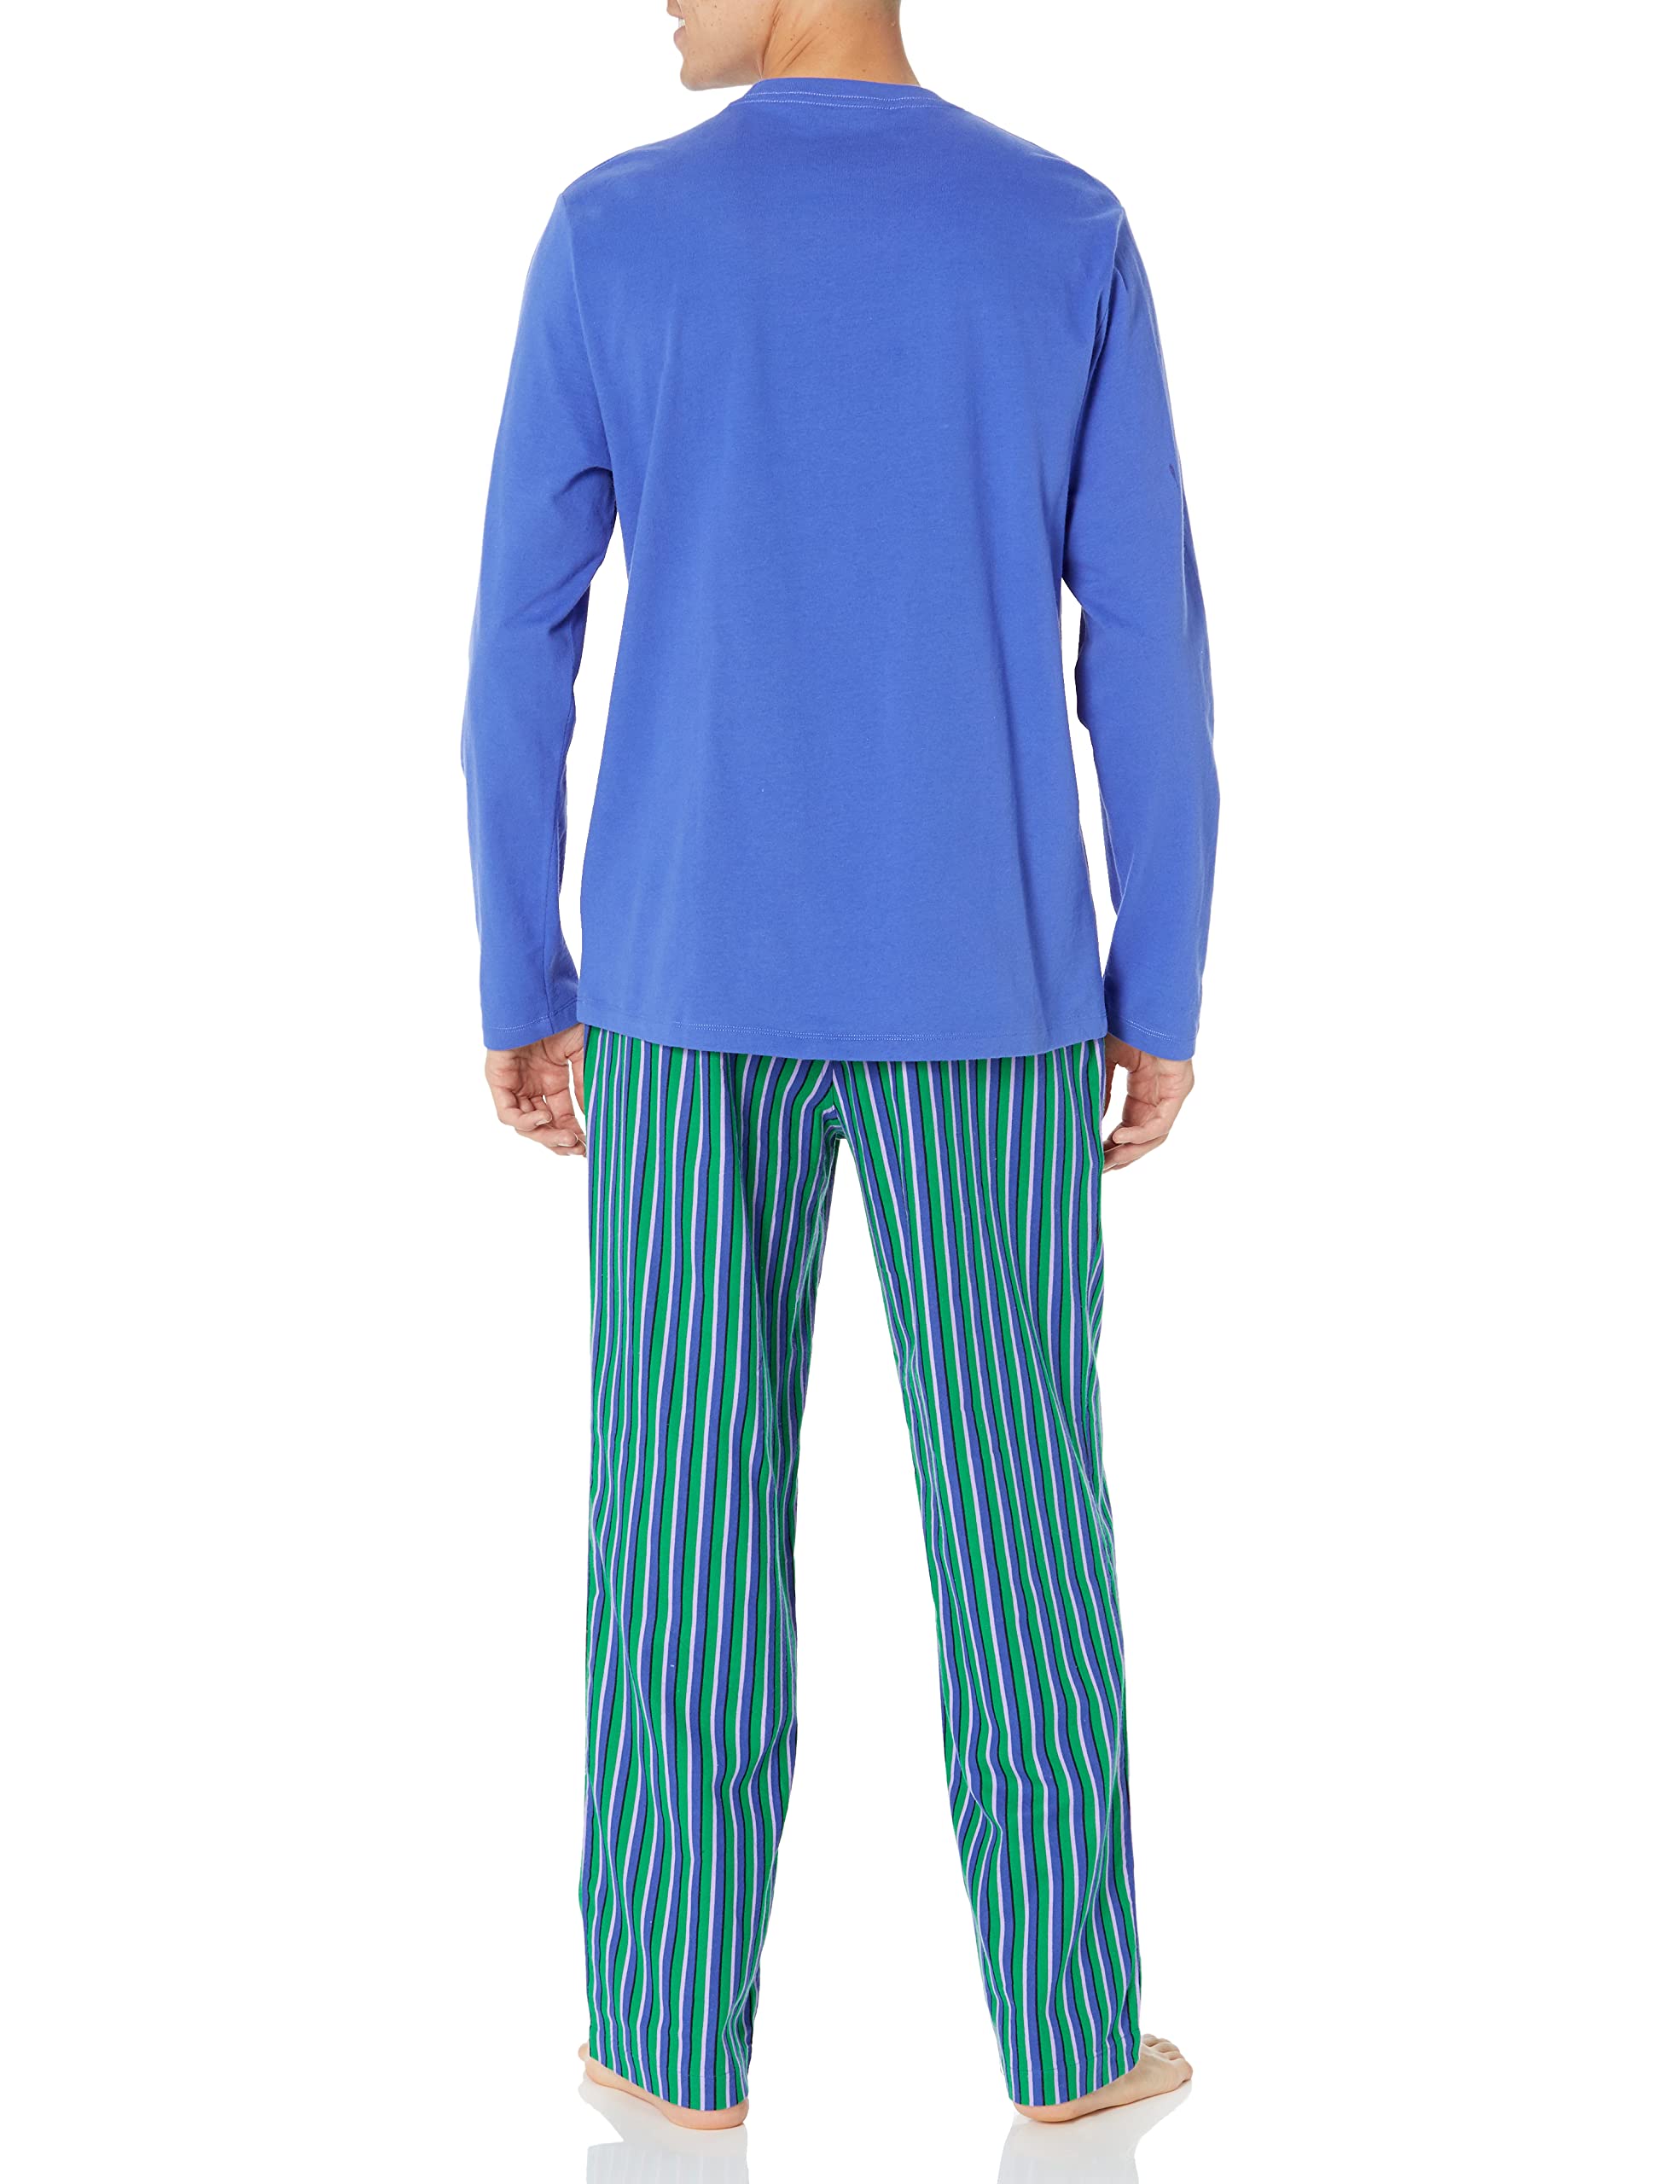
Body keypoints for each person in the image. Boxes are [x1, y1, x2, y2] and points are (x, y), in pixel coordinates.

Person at [462, 0, 1215, 2135]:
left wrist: (523, 964)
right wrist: (1158, 976)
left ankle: (662, 2034)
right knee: (1024, 1527)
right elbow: (1148, 636)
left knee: (679, 1527)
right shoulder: (1058, 231)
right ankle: (1074, 2040)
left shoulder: (615, 233)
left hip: (682, 983)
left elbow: (520, 634)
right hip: (992, 989)